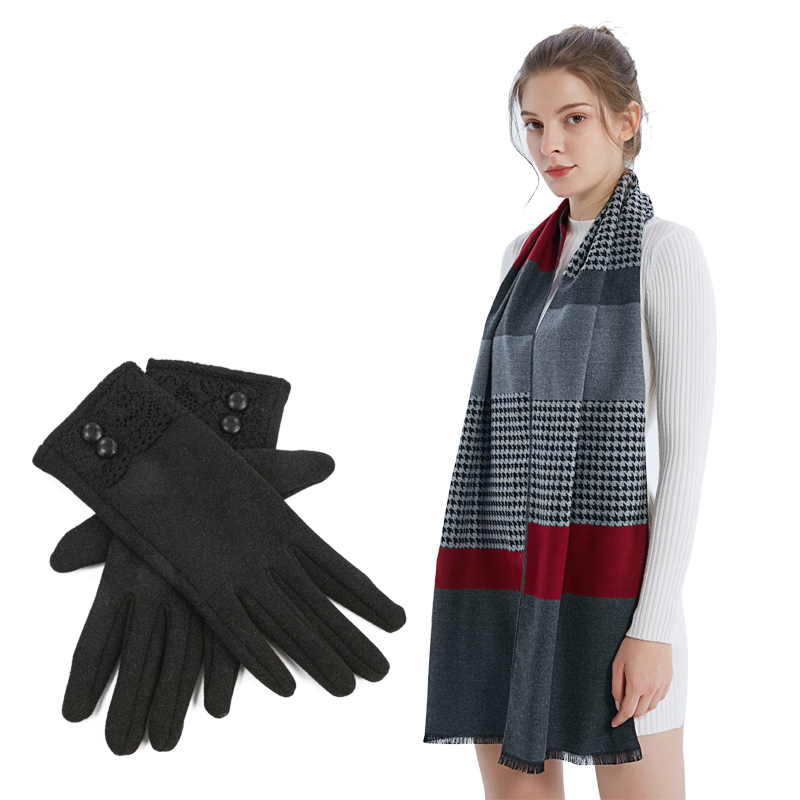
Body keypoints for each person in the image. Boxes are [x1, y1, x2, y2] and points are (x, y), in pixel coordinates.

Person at [423, 24, 716, 800]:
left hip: (614, 597)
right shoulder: (519, 258)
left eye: (573, 118)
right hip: (504, 584)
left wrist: (651, 628)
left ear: (627, 120)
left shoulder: (665, 252)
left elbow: (686, 455)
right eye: (534, 124)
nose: (550, 143)